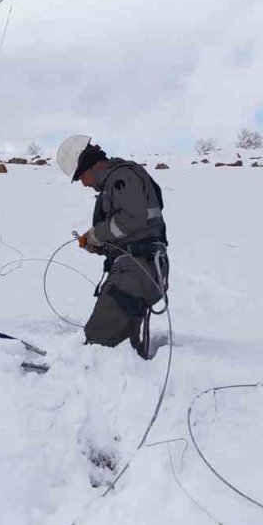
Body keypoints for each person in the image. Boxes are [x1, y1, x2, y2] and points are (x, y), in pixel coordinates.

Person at [56, 135, 169, 359]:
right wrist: (96, 244)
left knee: (98, 342)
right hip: (137, 270)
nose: (85, 184)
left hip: (136, 272)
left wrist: (96, 234)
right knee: (121, 349)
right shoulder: (117, 182)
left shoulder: (122, 177)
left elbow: (132, 219)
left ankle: (81, 380)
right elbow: (130, 231)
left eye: (81, 177)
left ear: (90, 163)